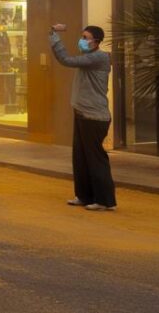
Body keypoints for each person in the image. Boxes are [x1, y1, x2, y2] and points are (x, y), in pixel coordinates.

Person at [50, 22, 117, 212]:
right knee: (80, 157)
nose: (82, 41)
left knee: (95, 158)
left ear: (96, 42)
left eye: (85, 38)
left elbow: (66, 60)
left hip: (94, 116)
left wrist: (54, 35)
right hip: (82, 113)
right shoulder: (90, 57)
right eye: (82, 37)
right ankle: (84, 196)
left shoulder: (98, 58)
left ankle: (104, 200)